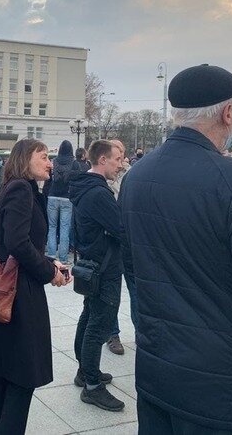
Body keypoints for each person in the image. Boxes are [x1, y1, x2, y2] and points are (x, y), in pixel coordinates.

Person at [120, 64, 232, 434]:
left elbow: (135, 269)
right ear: (228, 112)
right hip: (225, 380)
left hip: (159, 366)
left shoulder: (137, 175)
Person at [0, 138, 70, 435]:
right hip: (17, 294)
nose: (50, 163)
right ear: (25, 159)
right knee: (22, 378)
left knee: (2, 377)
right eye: (44, 157)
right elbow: (17, 243)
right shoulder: (22, 189)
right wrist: (49, 272)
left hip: (8, 289)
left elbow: (18, 241)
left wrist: (48, 260)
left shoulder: (18, 188)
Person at [69, 139, 126, 412]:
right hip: (105, 267)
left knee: (88, 316)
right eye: (116, 159)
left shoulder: (85, 186)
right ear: (102, 160)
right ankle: (92, 386)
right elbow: (121, 228)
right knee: (99, 325)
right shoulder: (99, 193)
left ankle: (84, 371)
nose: (120, 164)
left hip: (91, 264)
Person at [106, 139, 135, 356]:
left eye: (122, 153)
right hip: (114, 242)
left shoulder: (133, 174)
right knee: (113, 292)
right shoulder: (105, 179)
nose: (120, 158)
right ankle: (112, 333)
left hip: (132, 243)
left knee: (137, 291)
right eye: (117, 154)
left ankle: (141, 331)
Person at [46, 140, 78, 264]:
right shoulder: (74, 164)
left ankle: (52, 256)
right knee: (65, 228)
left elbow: (48, 180)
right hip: (67, 198)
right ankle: (63, 258)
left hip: (52, 196)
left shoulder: (53, 162)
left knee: (52, 227)